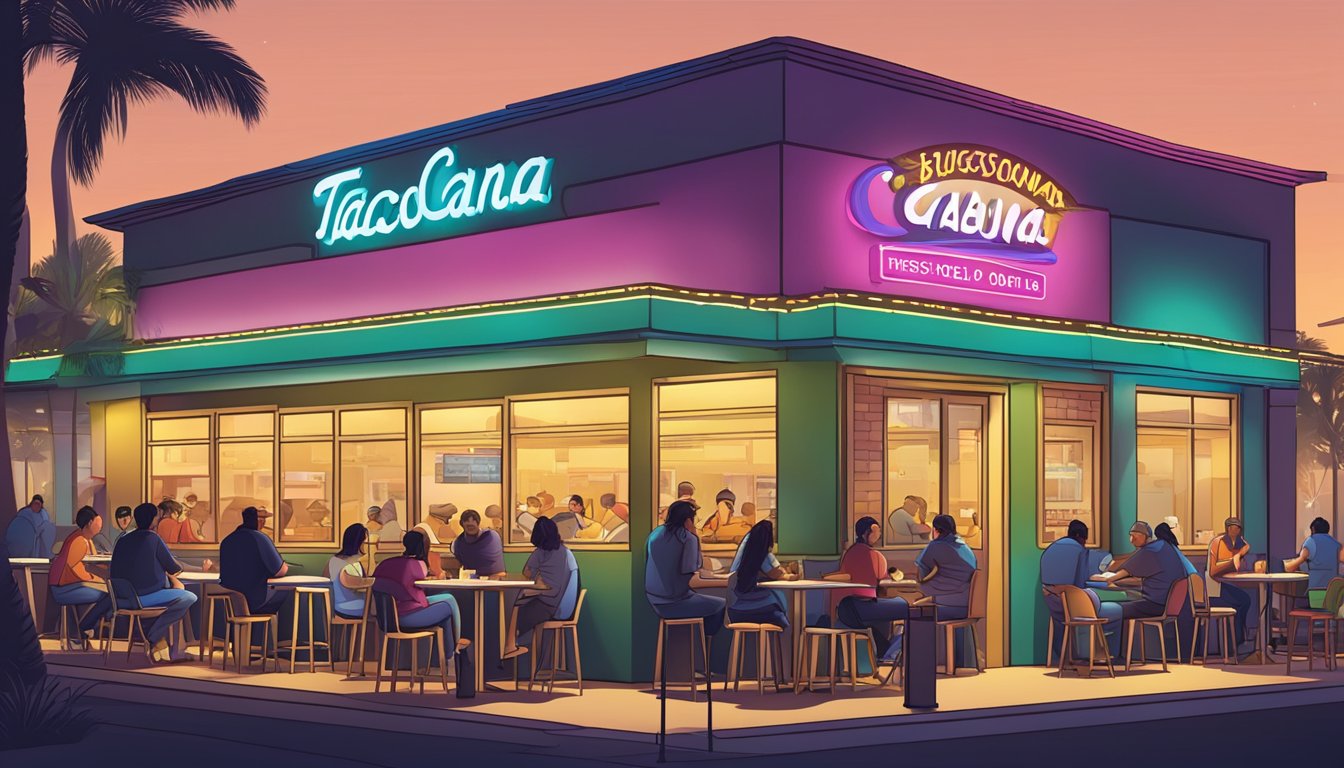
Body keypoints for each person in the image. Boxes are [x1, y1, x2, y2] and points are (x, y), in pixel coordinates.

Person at [110, 502, 197, 662]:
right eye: (157, 516)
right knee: (188, 597)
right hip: (145, 597)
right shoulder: (153, 538)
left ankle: (161, 643)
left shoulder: (123, 541)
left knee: (177, 591)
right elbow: (174, 568)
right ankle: (154, 635)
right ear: (152, 520)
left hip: (123, 598)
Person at [826, 516, 908, 662]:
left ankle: (887, 651)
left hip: (845, 608)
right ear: (868, 532)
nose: (880, 535)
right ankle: (892, 653)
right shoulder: (874, 556)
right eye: (877, 531)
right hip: (861, 606)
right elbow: (883, 580)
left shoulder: (850, 553)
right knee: (909, 608)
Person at [372, 530, 467, 653]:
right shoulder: (417, 564)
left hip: (387, 617)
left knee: (448, 598)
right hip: (408, 616)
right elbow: (423, 574)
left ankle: (449, 653)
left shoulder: (385, 564)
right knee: (448, 605)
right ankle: (454, 648)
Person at [1103, 521, 1189, 654]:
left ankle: (1108, 653)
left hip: (1156, 603)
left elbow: (1121, 572)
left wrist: (1106, 578)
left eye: (1135, 536)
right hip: (1167, 602)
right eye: (1130, 536)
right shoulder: (1163, 546)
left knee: (1112, 610)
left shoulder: (1151, 550)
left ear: (1144, 535)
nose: (1132, 540)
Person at [1040, 519, 1122, 660]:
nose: (1084, 543)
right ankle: (1105, 655)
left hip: (1053, 602)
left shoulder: (1051, 549)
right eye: (1084, 539)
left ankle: (1062, 656)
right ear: (1080, 536)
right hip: (1074, 606)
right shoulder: (1080, 551)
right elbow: (1080, 584)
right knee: (1118, 610)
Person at [502, 516, 579, 660]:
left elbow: (529, 574)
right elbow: (529, 573)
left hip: (549, 605)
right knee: (514, 606)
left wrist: (537, 582)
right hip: (553, 603)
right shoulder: (561, 552)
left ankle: (508, 646)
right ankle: (509, 646)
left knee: (509, 612)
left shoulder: (546, 553)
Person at [645, 499, 726, 636]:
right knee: (721, 604)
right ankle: (703, 646)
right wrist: (695, 535)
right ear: (688, 520)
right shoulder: (688, 538)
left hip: (653, 600)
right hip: (675, 601)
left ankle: (691, 643)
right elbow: (693, 573)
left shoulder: (655, 534)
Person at [916, 514, 979, 668]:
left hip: (950, 604)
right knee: (923, 603)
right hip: (968, 604)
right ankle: (963, 662)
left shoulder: (936, 546)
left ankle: (901, 659)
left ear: (935, 530)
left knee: (914, 611)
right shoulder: (964, 546)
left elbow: (921, 574)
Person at [50, 506, 114, 649]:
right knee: (108, 595)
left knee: (107, 593)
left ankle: (85, 629)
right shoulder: (79, 540)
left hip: (69, 585)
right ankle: (85, 628)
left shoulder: (84, 539)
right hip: (64, 588)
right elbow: (73, 567)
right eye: (98, 523)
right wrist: (93, 578)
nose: (100, 527)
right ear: (90, 523)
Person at [220, 506, 288, 615]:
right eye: (263, 520)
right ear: (259, 521)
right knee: (285, 592)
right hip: (254, 601)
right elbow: (280, 571)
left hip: (229, 602)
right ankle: (268, 631)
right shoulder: (261, 538)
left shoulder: (227, 540)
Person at [727, 520, 793, 629]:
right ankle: (790, 645)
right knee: (782, 617)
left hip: (736, 608)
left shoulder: (747, 551)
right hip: (752, 608)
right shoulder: (762, 554)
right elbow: (775, 573)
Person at [1205, 517, 1252, 648]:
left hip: (1226, 584)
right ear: (1228, 528)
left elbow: (1245, 552)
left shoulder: (1238, 542)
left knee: (1244, 600)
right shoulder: (1217, 542)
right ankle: (1235, 643)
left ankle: (1236, 641)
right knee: (1243, 601)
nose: (1236, 531)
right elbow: (1213, 571)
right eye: (1233, 528)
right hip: (1215, 589)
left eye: (1238, 528)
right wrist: (1232, 562)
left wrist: (1239, 555)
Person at [326, 524, 375, 620]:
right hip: (348, 606)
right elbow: (359, 583)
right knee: (382, 605)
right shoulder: (352, 563)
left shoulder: (333, 560)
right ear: (359, 543)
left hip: (333, 606)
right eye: (365, 542)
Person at [1285, 517, 1344, 591]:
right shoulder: (1336, 544)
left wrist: (1288, 565)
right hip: (1333, 591)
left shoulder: (1311, 541)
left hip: (1316, 589)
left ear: (1313, 529)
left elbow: (1294, 565)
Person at [451, 509, 506, 577]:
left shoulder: (491, 536)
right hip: (473, 579)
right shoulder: (459, 543)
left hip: (495, 578)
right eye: (467, 523)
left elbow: (489, 563)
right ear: (462, 524)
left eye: (474, 521)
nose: (471, 525)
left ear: (478, 523)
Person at [6, 494, 55, 559]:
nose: (36, 506)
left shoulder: (43, 515)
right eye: (35, 504)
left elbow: (45, 528)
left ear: (41, 506)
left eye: (38, 504)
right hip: (20, 545)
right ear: (31, 504)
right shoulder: (24, 513)